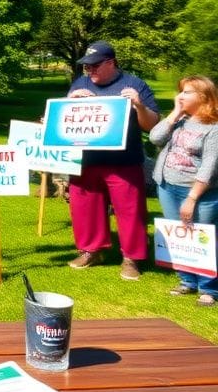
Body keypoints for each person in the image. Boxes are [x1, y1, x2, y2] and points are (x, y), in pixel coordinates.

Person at [65, 41, 160, 280]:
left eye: (95, 66)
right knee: (84, 208)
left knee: (130, 211)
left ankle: (132, 258)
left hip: (124, 161)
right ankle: (91, 251)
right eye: (86, 67)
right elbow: (65, 121)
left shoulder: (134, 84)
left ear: (111, 62)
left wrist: (138, 105)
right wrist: (70, 101)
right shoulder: (81, 84)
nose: (90, 72)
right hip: (85, 161)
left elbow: (152, 125)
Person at [150, 75, 218, 306]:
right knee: (178, 235)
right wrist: (175, 113)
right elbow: (155, 138)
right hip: (168, 186)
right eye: (180, 91)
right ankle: (186, 281)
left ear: (204, 97)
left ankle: (209, 288)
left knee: (203, 238)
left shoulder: (214, 127)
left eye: (187, 92)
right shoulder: (180, 120)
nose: (180, 96)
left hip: (199, 193)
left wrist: (192, 198)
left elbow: (209, 166)